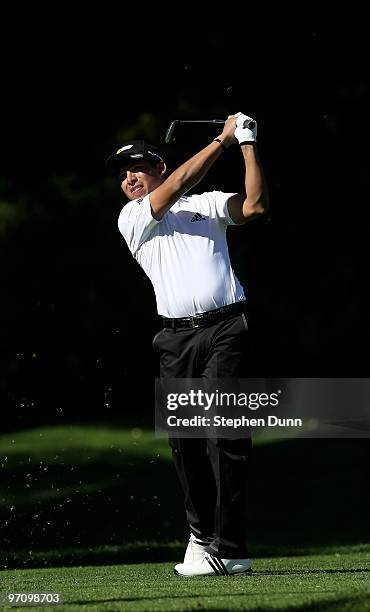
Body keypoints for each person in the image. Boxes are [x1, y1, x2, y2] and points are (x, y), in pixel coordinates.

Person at [106, 113, 269, 576]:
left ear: (158, 166)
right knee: (187, 442)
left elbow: (256, 207)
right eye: (122, 175)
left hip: (226, 331)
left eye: (136, 168)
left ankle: (231, 549)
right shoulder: (134, 217)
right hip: (175, 340)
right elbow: (178, 183)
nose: (129, 179)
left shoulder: (208, 203)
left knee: (228, 435)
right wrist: (223, 140)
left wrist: (247, 143)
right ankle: (200, 537)